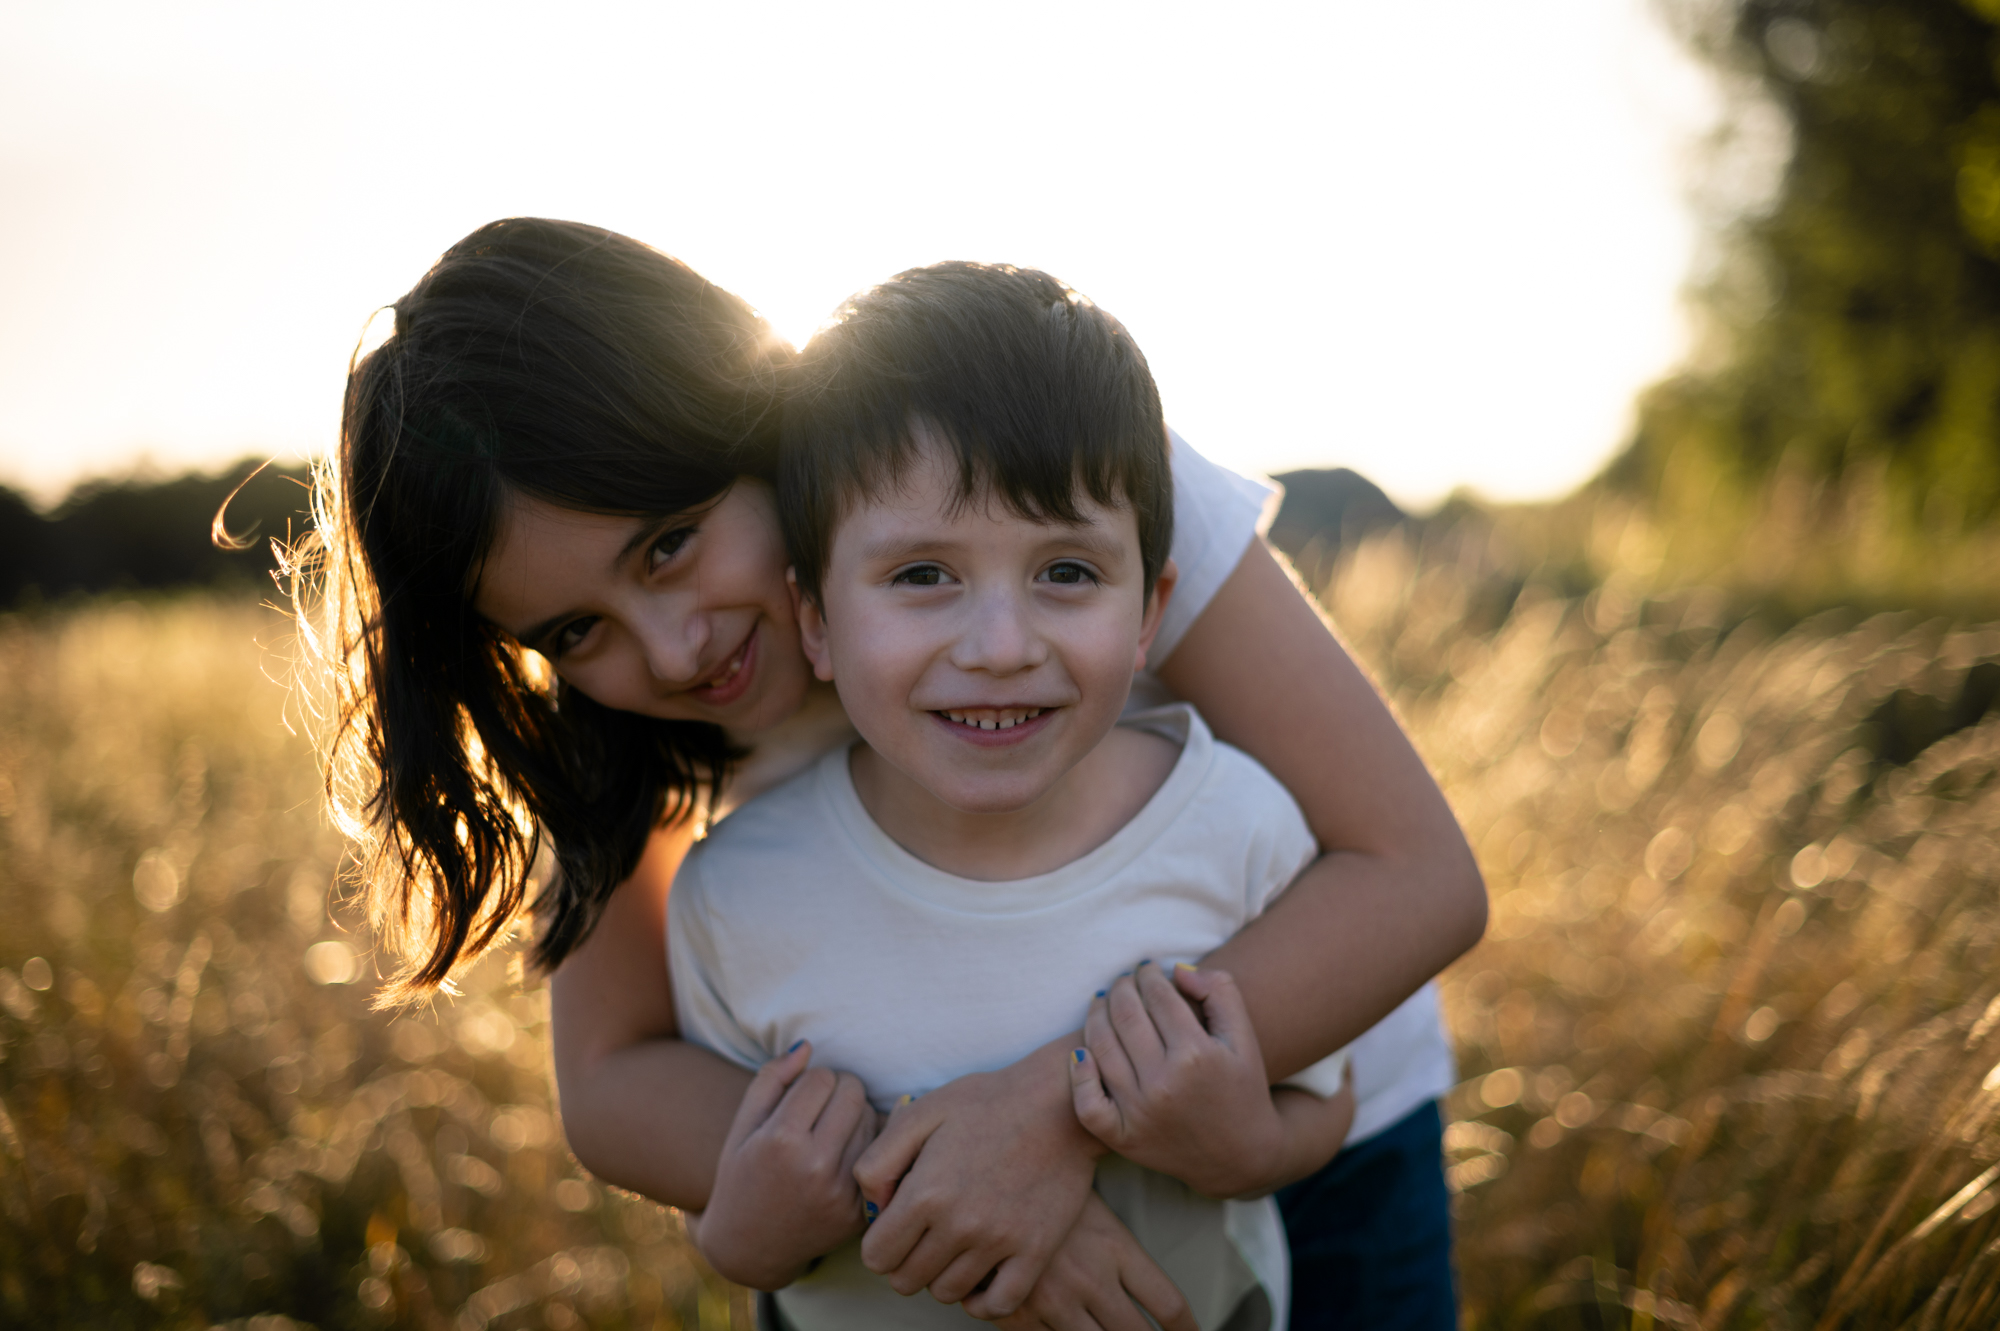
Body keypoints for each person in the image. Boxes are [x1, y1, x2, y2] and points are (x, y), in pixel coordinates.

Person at [301, 217, 1484, 1328]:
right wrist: (928, 1175)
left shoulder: (1043, 460)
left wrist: (1042, 1118)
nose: (668, 650)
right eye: (570, 631)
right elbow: (610, 1075)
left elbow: (1415, 873)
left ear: (742, 417)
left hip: (1288, 1136)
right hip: (894, 1258)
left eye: (669, 544)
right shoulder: (619, 722)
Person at [671, 260, 1356, 1330]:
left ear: (1148, 612)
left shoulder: (1237, 826)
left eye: (1067, 572)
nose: (999, 647)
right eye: (920, 575)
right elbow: (733, 1167)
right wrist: (733, 1238)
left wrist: (1248, 1151)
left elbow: (1319, 1101)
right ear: (813, 620)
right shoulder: (737, 893)